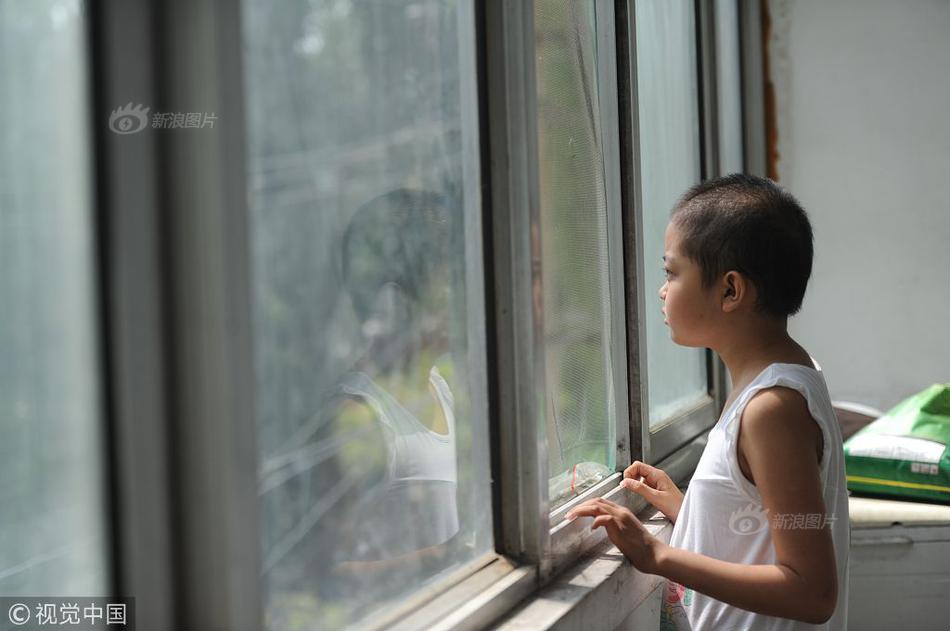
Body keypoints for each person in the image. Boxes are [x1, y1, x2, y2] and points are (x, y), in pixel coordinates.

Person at [565, 174, 849, 630]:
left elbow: (812, 592)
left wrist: (658, 554)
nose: (662, 290)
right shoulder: (780, 380)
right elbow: (764, 522)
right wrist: (689, 510)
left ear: (730, 290)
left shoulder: (772, 407)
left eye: (672, 273)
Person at [329, 188, 464, 587]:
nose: (461, 297)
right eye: (448, 281)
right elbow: (330, 574)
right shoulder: (362, 414)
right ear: (395, 300)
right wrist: (440, 560)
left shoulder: (441, 388)